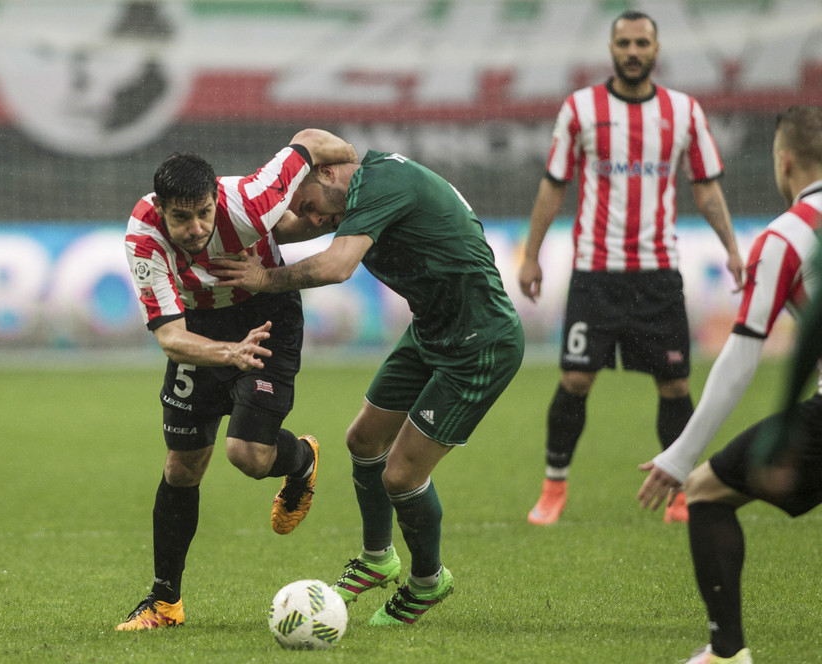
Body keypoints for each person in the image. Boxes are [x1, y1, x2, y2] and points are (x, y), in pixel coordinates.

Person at [212, 148, 525, 626]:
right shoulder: (349, 193)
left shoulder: (380, 184)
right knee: (363, 439)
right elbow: (277, 225)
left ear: (328, 172)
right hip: (432, 330)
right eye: (307, 211)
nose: (314, 218)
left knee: (401, 475)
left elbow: (337, 267)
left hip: (480, 343)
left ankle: (427, 581)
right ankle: (378, 558)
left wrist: (261, 279)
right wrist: (207, 224)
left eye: (311, 205)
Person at [116, 129, 358, 631]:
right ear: (161, 209)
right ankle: (165, 603)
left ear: (215, 199)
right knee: (182, 467)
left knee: (247, 456)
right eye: (181, 217)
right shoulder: (143, 238)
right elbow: (170, 337)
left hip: (267, 317)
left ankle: (303, 459)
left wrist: (350, 172)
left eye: (204, 212)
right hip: (201, 331)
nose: (195, 227)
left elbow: (311, 142)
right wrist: (228, 353)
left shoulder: (250, 201)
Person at [517, 9, 744, 525]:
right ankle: (554, 487)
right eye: (625, 43)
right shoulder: (580, 109)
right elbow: (554, 184)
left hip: (658, 275)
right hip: (594, 273)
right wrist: (531, 254)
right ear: (612, 49)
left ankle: (682, 489)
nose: (634, 52)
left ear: (656, 50)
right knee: (575, 379)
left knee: (676, 386)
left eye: (642, 42)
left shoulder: (685, 112)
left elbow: (705, 187)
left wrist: (731, 247)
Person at [637, 104, 822, 664]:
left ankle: (726, 653)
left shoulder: (788, 236)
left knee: (706, 490)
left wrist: (681, 454)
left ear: (783, 160)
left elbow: (742, 357)